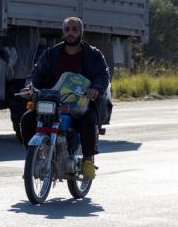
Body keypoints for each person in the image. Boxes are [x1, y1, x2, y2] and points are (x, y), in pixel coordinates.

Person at [19, 17, 110, 180]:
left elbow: (102, 75)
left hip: (80, 102)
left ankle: (88, 159)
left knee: (88, 120)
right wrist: (30, 87)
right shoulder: (51, 53)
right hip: (51, 101)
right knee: (27, 119)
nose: (71, 33)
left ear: (81, 32)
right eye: (67, 29)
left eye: (75, 30)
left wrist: (96, 89)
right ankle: (33, 158)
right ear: (63, 32)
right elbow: (36, 73)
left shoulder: (93, 55)